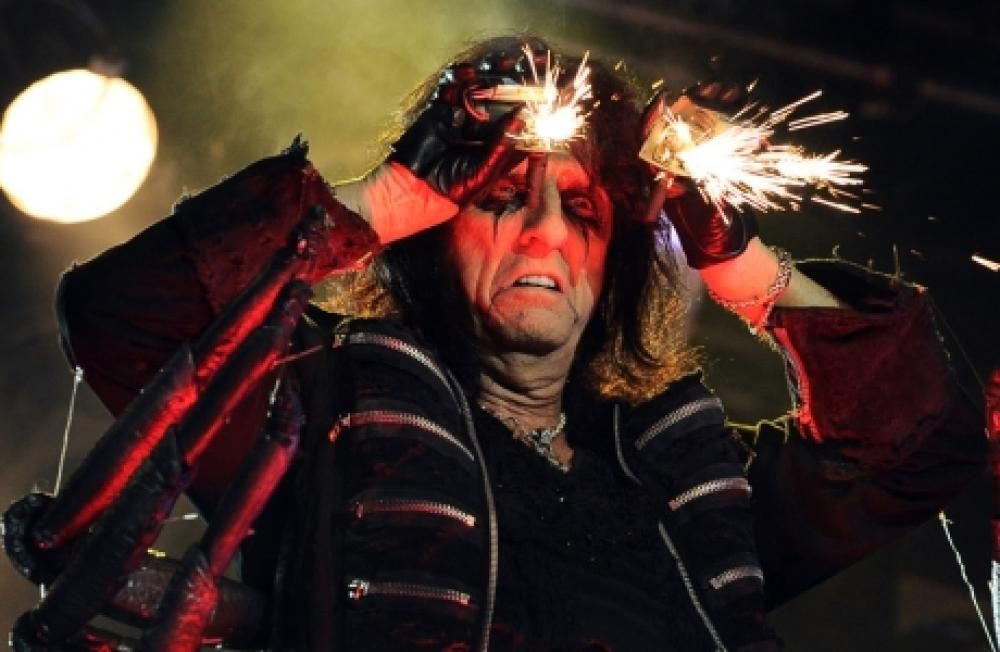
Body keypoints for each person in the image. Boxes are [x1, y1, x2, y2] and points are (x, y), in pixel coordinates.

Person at [52, 36, 985, 651]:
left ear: (609, 264)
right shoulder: (323, 417)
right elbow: (119, 315)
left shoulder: (680, 485)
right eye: (501, 198)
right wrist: (388, 195)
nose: (543, 232)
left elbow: (918, 447)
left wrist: (735, 260)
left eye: (582, 210)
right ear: (435, 230)